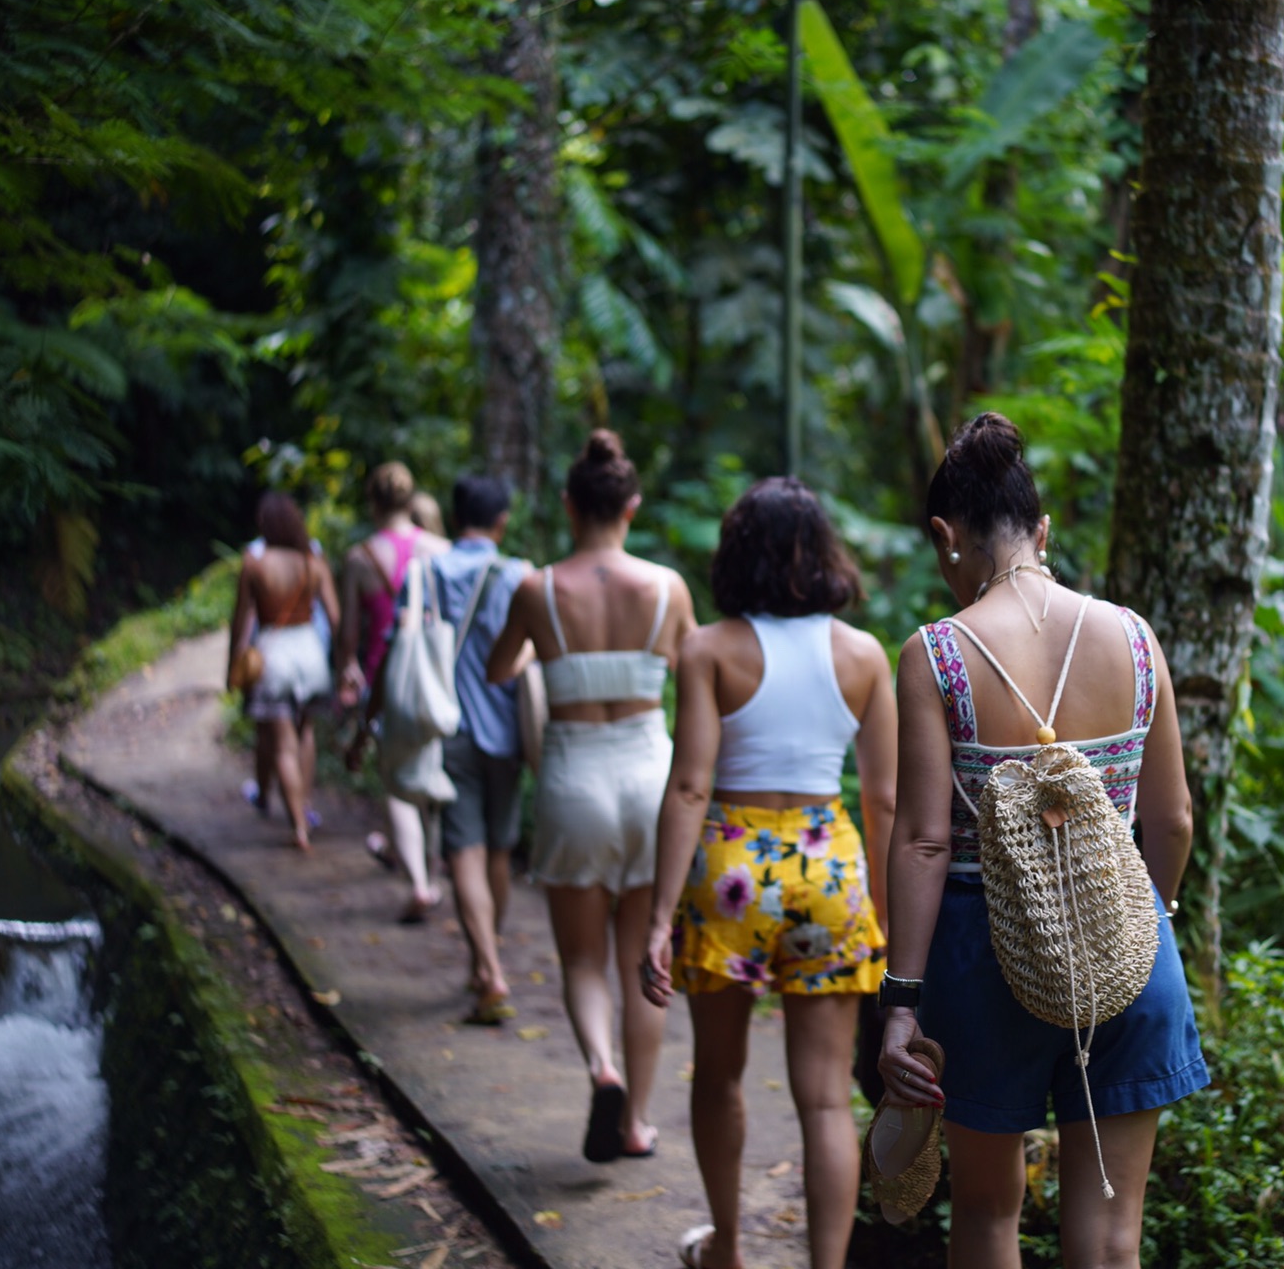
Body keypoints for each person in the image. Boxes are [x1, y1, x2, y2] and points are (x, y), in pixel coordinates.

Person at [875, 413, 1209, 1269]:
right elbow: (1171, 820)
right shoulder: (1135, 640)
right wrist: (1149, 920)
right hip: (1129, 958)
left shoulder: (936, 656)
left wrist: (901, 1004)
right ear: (1044, 530)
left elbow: (919, 844)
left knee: (988, 1216)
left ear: (947, 538)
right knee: (1110, 1235)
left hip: (984, 961)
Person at [639, 477, 896, 1269]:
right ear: (821, 553)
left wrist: (655, 920)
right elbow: (884, 800)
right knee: (824, 1097)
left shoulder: (708, 649)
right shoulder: (862, 656)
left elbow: (688, 786)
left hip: (732, 869)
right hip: (829, 865)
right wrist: (890, 923)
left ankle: (728, 1249)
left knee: (718, 1074)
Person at [488, 431, 696, 1163]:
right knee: (647, 954)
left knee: (581, 961)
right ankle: (636, 1121)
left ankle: (600, 1069)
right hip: (648, 775)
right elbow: (691, 672)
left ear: (570, 506)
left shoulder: (535, 589)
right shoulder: (668, 588)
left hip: (574, 781)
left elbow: (497, 667)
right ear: (631, 508)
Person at [421, 474, 531, 1023]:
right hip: (507, 731)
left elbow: (402, 648)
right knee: (498, 853)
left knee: (463, 850)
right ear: (501, 521)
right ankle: (488, 959)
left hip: (449, 728)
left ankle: (485, 966)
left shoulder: (428, 571)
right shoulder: (518, 576)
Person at [338, 462, 450, 921]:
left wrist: (349, 670)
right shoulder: (441, 549)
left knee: (398, 786)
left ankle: (420, 882)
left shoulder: (361, 558)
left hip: (389, 680)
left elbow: (349, 635)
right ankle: (435, 866)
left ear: (373, 502)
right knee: (434, 770)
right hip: (438, 677)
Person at [228, 492, 341, 851]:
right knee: (305, 733)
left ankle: (298, 827)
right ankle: (304, 807)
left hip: (274, 652)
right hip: (309, 651)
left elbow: (241, 622)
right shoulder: (313, 561)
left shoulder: (254, 563)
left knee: (282, 744)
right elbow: (336, 619)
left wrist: (233, 665)